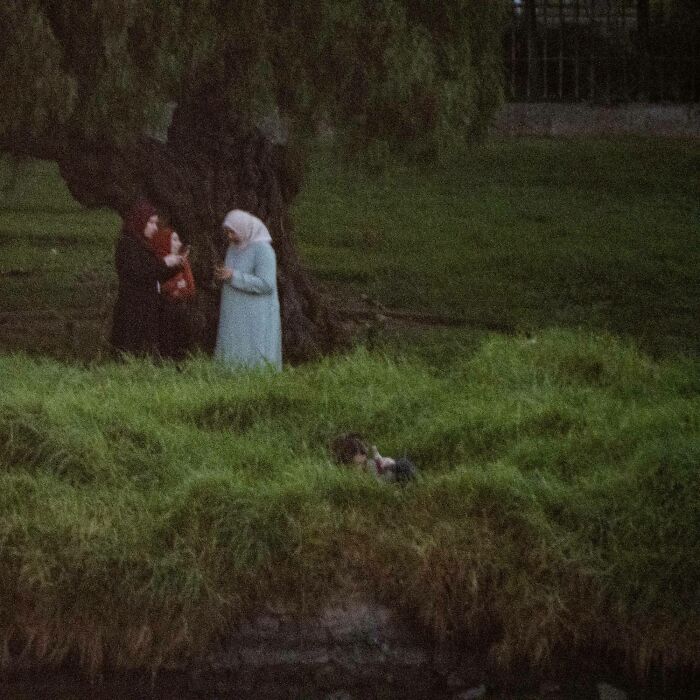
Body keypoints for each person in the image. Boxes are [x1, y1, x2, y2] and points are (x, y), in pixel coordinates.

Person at [110, 201, 185, 357]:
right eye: (151, 223)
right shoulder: (128, 245)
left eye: (155, 223)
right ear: (140, 221)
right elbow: (138, 273)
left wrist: (175, 265)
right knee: (130, 348)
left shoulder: (143, 245)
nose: (155, 228)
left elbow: (155, 274)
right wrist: (165, 262)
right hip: (133, 306)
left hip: (146, 305)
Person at [214, 209, 282, 370]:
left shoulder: (263, 250)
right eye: (227, 232)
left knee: (253, 346)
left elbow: (266, 284)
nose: (230, 236)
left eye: (233, 232)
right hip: (234, 310)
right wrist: (224, 274)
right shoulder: (232, 248)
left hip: (256, 313)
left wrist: (234, 277)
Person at [149, 226, 196, 360]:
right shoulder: (159, 261)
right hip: (162, 310)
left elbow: (190, 288)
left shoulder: (182, 262)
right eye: (174, 240)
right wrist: (175, 287)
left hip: (180, 308)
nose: (179, 244)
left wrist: (178, 291)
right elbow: (161, 286)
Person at [329, 432, 417, 483]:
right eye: (356, 453)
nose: (362, 455)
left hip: (399, 470)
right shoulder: (346, 471)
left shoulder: (370, 466)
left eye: (362, 452)